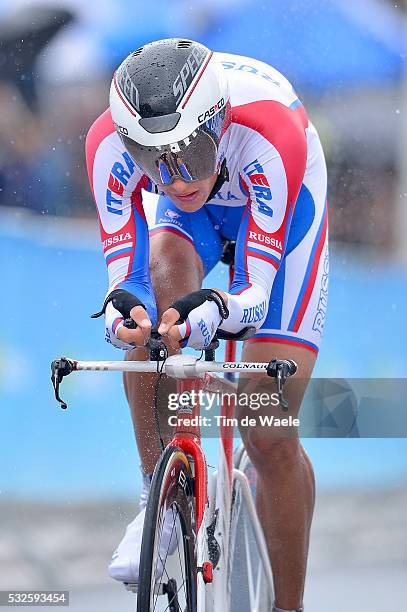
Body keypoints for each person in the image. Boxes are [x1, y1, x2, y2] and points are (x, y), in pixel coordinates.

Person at [85, 38, 328, 612]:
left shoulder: (269, 135)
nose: (173, 179)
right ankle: (160, 502)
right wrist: (129, 313)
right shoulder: (107, 150)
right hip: (198, 219)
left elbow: (252, 297)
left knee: (266, 427)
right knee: (157, 308)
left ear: (216, 124)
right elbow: (127, 277)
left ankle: (287, 606)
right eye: (152, 161)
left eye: (189, 153)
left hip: (278, 210)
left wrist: (214, 310)